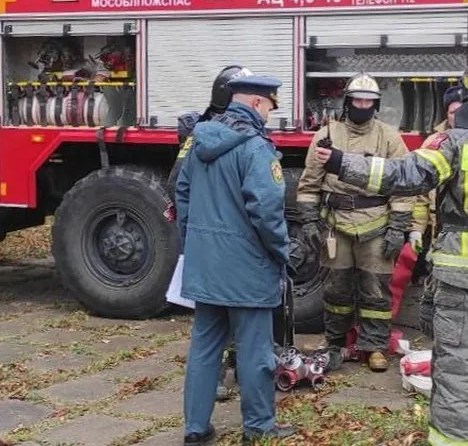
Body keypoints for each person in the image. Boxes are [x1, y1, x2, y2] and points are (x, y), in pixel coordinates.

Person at [312, 53, 468, 446]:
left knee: (456, 376)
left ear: (467, 97)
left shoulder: (453, 143)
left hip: (464, 285)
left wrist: (344, 163)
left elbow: (403, 176)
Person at [175, 72, 295, 445]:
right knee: (255, 351)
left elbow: (182, 193)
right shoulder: (256, 148)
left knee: (204, 347)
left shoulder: (199, 140)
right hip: (247, 269)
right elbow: (267, 210)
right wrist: (282, 252)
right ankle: (258, 428)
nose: (270, 116)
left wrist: (192, 246)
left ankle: (196, 430)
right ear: (258, 103)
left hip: (205, 266)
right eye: (270, 107)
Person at [296, 73, 415, 372]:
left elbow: (403, 185)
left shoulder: (389, 137)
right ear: (348, 102)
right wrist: (310, 222)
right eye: (357, 100)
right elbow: (309, 185)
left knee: (376, 289)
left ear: (376, 105)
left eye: (369, 101)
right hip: (336, 225)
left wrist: (398, 226)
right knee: (336, 290)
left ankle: (374, 347)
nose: (362, 105)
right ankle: (334, 344)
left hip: (376, 223)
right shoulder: (325, 136)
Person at [167, 65, 253, 403]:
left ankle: (234, 374)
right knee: (221, 317)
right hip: (224, 242)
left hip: (213, 242)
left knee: (220, 318)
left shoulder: (216, 132)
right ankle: (225, 377)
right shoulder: (207, 134)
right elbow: (179, 186)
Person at [412, 83, 465, 337]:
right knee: (435, 282)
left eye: (462, 110)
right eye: (453, 111)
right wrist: (416, 231)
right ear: (447, 113)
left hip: (464, 227)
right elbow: (422, 193)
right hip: (437, 228)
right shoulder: (433, 142)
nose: (457, 116)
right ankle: (436, 335)